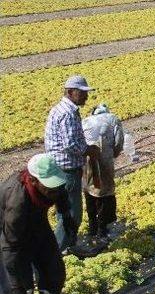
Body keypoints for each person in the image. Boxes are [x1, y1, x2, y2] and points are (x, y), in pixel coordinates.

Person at [0, 154, 74, 294]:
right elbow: (11, 248)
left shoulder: (53, 186)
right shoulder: (17, 201)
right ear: (33, 181)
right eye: (50, 188)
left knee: (54, 273)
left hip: (37, 224)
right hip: (9, 237)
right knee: (20, 292)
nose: (55, 191)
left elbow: (61, 193)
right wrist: (16, 287)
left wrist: (66, 216)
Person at [44, 75, 101, 252]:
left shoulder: (61, 109)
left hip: (60, 167)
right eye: (82, 92)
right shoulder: (67, 113)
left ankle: (69, 246)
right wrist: (89, 150)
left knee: (65, 211)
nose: (86, 96)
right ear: (70, 92)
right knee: (72, 214)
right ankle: (56, 253)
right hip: (67, 169)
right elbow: (70, 144)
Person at [82, 103, 125, 239]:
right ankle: (102, 229)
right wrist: (113, 154)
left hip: (87, 158)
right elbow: (119, 141)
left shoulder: (85, 121)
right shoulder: (113, 119)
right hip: (104, 158)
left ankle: (92, 227)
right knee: (104, 192)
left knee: (89, 190)